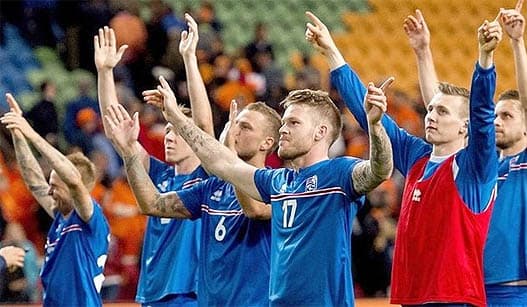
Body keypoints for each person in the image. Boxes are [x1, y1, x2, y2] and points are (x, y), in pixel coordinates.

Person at [147, 48, 393, 305]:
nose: (283, 130)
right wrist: (176, 117)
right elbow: (221, 163)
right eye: (284, 122)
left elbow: (380, 170)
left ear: (320, 132)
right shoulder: (278, 180)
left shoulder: (339, 174)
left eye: (294, 123)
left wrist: (375, 127)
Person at [316, 7, 500, 305]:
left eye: (442, 111)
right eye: (430, 109)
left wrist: (485, 59)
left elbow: (481, 114)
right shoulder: (417, 157)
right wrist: (333, 53)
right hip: (412, 294)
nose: (431, 116)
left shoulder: (474, 167)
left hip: (452, 297)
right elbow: (368, 115)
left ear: (465, 127)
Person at [404, 2, 527, 305]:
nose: (497, 121)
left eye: (508, 116)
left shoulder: (523, 163)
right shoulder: (475, 167)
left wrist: (516, 42)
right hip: (471, 287)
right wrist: (423, 52)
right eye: (494, 115)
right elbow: (440, 106)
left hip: (514, 289)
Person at [106, 98, 278, 306]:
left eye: (245, 127)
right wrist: (129, 151)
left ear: (267, 143)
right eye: (234, 124)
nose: (235, 131)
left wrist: (230, 156)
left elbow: (254, 210)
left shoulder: (277, 185)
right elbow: (151, 204)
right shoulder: (211, 188)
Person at [94, 15, 213, 305]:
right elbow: (116, 131)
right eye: (168, 131)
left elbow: (205, 127)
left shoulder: (209, 177)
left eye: (179, 133)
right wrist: (105, 72)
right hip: (151, 292)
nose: (170, 137)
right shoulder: (158, 174)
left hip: (189, 294)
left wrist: (189, 60)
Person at [1, 94, 110, 306]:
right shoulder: (61, 216)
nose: (49, 192)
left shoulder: (89, 217)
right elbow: (34, 181)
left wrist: (31, 133)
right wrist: (17, 133)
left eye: (55, 187)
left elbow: (71, 179)